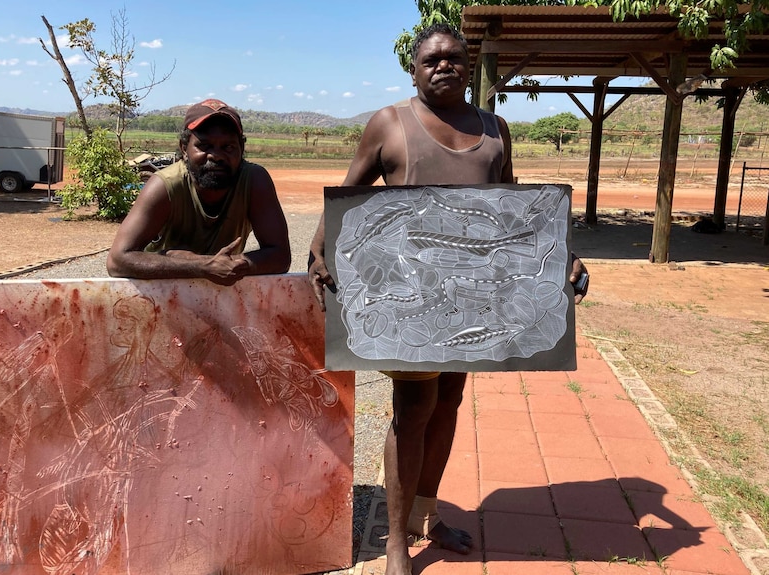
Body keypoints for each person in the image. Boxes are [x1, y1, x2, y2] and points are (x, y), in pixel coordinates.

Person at [308, 23, 589, 575]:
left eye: (454, 59)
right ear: (413, 70)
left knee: (449, 405)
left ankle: (425, 515)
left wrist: (562, 256)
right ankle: (395, 543)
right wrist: (320, 253)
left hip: (474, 301)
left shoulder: (494, 129)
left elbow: (515, 209)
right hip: (410, 302)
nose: (443, 67)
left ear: (469, 66)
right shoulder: (389, 124)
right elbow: (349, 197)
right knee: (412, 412)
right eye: (431, 60)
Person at [107, 99, 291, 283]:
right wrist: (203, 267)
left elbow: (280, 256)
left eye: (228, 147)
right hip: (163, 292)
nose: (216, 155)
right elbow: (117, 261)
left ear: (241, 149)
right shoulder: (165, 186)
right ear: (184, 149)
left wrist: (203, 262)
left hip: (223, 295)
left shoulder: (254, 181)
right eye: (204, 146)